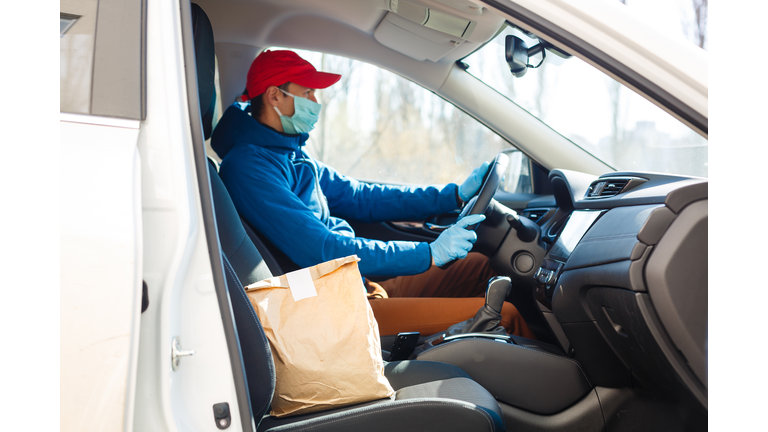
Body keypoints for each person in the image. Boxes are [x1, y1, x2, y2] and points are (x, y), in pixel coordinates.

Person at [211, 49, 534, 339]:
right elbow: (321, 249)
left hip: (357, 288)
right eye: (307, 91)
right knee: (505, 317)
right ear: (274, 96)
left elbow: (361, 196)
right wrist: (429, 254)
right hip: (333, 308)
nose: (315, 101)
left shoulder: (291, 155)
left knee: (478, 266)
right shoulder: (250, 167)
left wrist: (452, 196)